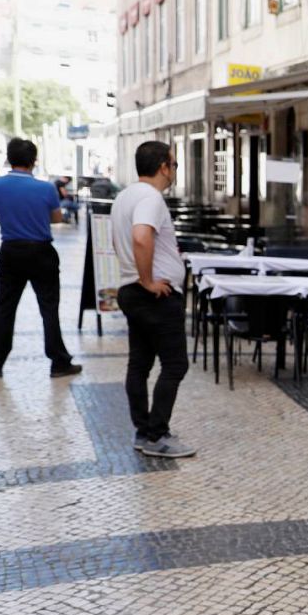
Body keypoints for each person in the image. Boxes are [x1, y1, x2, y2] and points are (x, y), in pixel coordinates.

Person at [110, 141, 195, 459]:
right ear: (163, 166)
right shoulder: (150, 197)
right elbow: (140, 237)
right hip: (152, 294)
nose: (174, 171)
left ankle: (143, 430)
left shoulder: (124, 196)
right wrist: (147, 280)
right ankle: (156, 434)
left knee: (140, 364)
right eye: (174, 165)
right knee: (175, 364)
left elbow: (121, 241)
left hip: (131, 290)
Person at [0, 138, 82, 379]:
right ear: (33, 161)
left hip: (10, 251)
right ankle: (58, 361)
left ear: (9, 157)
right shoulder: (46, 188)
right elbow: (57, 218)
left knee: (5, 307)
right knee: (49, 308)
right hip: (41, 252)